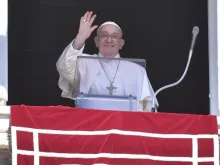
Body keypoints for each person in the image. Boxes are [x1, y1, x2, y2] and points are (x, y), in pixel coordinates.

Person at [56, 11, 158, 112]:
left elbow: (149, 105)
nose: (109, 40)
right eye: (104, 35)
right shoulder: (83, 62)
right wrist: (80, 38)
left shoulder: (137, 70)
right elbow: (64, 67)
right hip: (91, 124)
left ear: (121, 43)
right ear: (96, 41)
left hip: (126, 125)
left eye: (114, 36)